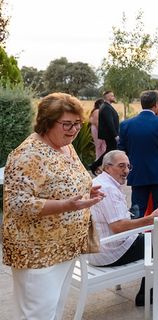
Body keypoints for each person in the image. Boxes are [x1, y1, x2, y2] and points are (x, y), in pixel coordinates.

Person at [3, 93, 105, 319]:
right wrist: (65, 205)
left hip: (65, 247)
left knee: (54, 310)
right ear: (47, 122)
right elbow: (17, 202)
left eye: (78, 123)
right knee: (37, 314)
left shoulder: (65, 146)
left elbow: (63, 182)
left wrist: (85, 191)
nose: (74, 129)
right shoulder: (29, 154)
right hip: (38, 250)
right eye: (67, 124)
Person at [88, 150, 158, 307]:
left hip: (98, 247)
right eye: (121, 166)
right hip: (109, 251)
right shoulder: (107, 188)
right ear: (107, 167)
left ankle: (148, 292)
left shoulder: (100, 181)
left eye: (128, 166)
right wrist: (148, 220)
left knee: (148, 236)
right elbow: (118, 227)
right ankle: (146, 296)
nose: (126, 171)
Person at [118, 90, 158, 217]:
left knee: (137, 211)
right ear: (156, 104)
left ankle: (136, 236)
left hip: (137, 173)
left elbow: (121, 151)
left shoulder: (126, 125)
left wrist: (127, 170)